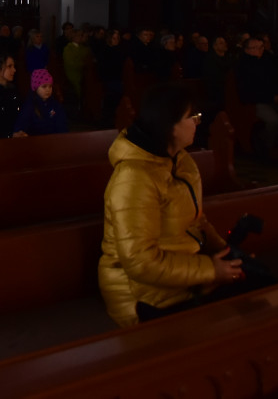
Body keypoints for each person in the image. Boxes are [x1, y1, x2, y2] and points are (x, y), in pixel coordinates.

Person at [98, 82, 244, 327]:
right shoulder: (134, 178)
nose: (198, 122)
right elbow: (140, 261)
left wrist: (226, 254)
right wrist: (211, 269)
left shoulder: (180, 160)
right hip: (142, 297)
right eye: (192, 117)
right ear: (170, 126)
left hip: (181, 277)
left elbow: (196, 221)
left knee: (260, 295)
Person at [13, 69, 68, 136]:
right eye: (44, 86)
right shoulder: (29, 106)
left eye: (50, 86)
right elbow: (21, 125)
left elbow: (62, 125)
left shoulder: (55, 104)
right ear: (35, 88)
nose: (48, 89)